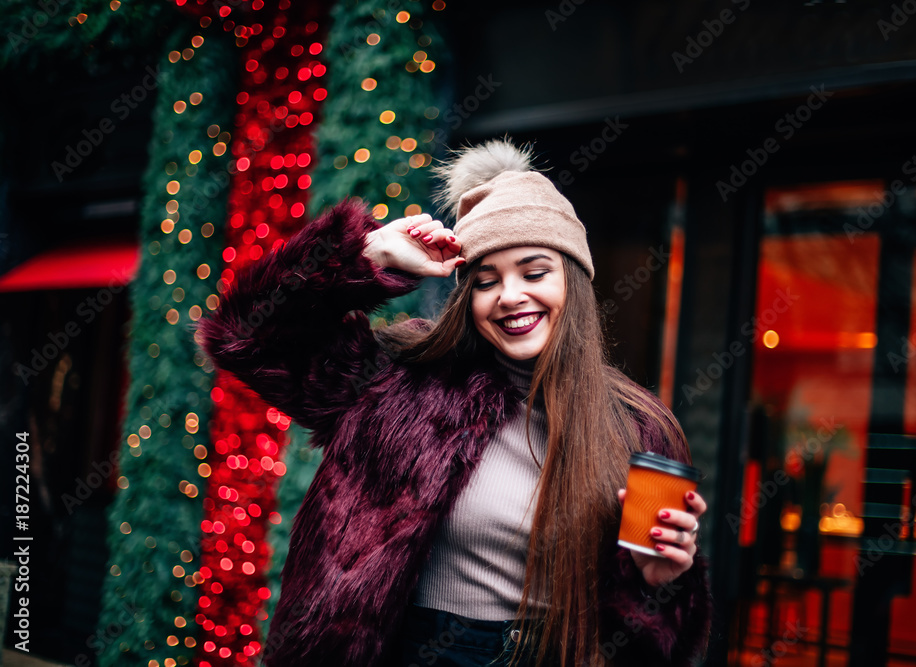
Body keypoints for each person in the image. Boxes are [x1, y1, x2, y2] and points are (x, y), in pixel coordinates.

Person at [197, 138, 711, 667]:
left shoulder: (639, 426)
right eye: (486, 281)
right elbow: (245, 337)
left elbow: (655, 645)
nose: (510, 295)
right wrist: (365, 255)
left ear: (573, 282)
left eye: (534, 273)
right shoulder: (400, 385)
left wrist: (662, 583)